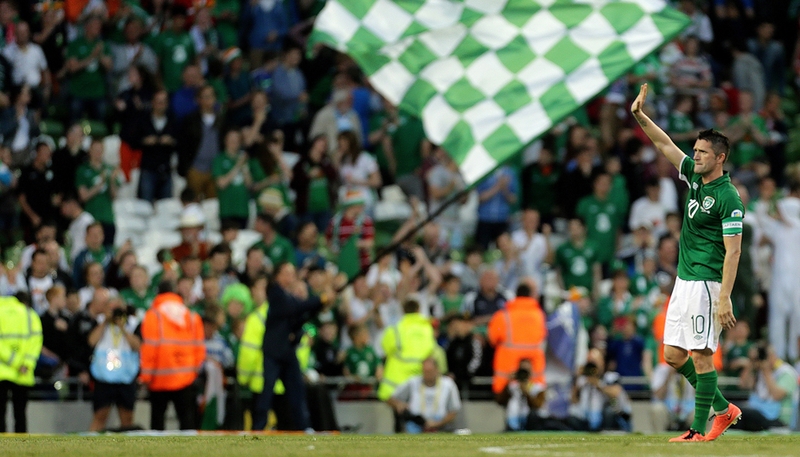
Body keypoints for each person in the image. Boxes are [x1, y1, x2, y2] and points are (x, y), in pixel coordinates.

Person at [631, 83, 744, 442]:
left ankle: (697, 429)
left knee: (701, 356)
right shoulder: (694, 176)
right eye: (694, 150)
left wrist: (724, 297)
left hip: (707, 283)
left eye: (702, 152)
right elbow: (665, 144)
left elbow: (734, 251)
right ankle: (724, 409)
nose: (695, 156)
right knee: (672, 355)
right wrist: (640, 115)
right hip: (684, 280)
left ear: (720, 158)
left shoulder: (729, 199)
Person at [251, 262, 336, 431]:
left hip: (287, 351)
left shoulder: (289, 296)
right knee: (267, 391)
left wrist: (320, 305)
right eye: (287, 273)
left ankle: (304, 426)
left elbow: (301, 316)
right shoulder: (275, 292)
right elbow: (295, 308)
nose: (291, 276)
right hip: (274, 352)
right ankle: (258, 427)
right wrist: (320, 299)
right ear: (278, 275)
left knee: (297, 391)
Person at [139, 287, 206, 430]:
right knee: (187, 421)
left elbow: (149, 349)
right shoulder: (191, 316)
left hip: (159, 379)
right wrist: (193, 372)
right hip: (185, 379)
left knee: (157, 422)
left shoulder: (153, 316)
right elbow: (199, 349)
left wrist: (146, 377)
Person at [378, 298, 437, 431]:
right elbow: (430, 350)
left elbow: (385, 347)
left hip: (397, 374)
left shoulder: (395, 328)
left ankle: (401, 429)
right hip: (419, 375)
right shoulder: (427, 328)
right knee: (417, 409)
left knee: (395, 406)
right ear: (418, 310)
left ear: (403, 310)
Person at [87, 297, 141, 431]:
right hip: (104, 377)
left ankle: (126, 443)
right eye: (111, 308)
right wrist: (106, 321)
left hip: (125, 377)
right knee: (100, 416)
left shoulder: (133, 323)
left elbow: (137, 346)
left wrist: (123, 327)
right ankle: (92, 443)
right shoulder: (99, 321)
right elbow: (91, 341)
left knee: (127, 418)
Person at [487, 281, 547, 396]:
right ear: (530, 295)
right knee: (534, 397)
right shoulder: (539, 315)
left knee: (507, 399)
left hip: (508, 368)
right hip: (533, 367)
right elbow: (543, 336)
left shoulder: (503, 315)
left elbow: (492, 339)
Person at [0, 295, 42, 433]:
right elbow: (36, 342)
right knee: (20, 414)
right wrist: (25, 363)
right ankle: (22, 442)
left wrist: (14, 361)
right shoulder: (31, 315)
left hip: (2, 371)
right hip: (23, 372)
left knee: (0, 413)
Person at [76, 139, 121, 246]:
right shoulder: (83, 170)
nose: (98, 153)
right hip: (91, 218)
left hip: (107, 217)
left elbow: (114, 196)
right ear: (90, 151)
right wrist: (100, 184)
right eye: (95, 150)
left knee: (108, 249)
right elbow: (83, 196)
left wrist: (111, 181)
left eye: (100, 150)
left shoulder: (109, 169)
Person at [137, 90, 178, 203]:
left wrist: (171, 141)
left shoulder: (172, 120)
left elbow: (181, 142)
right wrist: (144, 141)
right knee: (145, 205)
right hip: (148, 169)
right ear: (153, 103)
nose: (161, 105)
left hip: (166, 169)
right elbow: (132, 139)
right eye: (158, 102)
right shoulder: (144, 120)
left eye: (164, 102)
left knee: (166, 206)